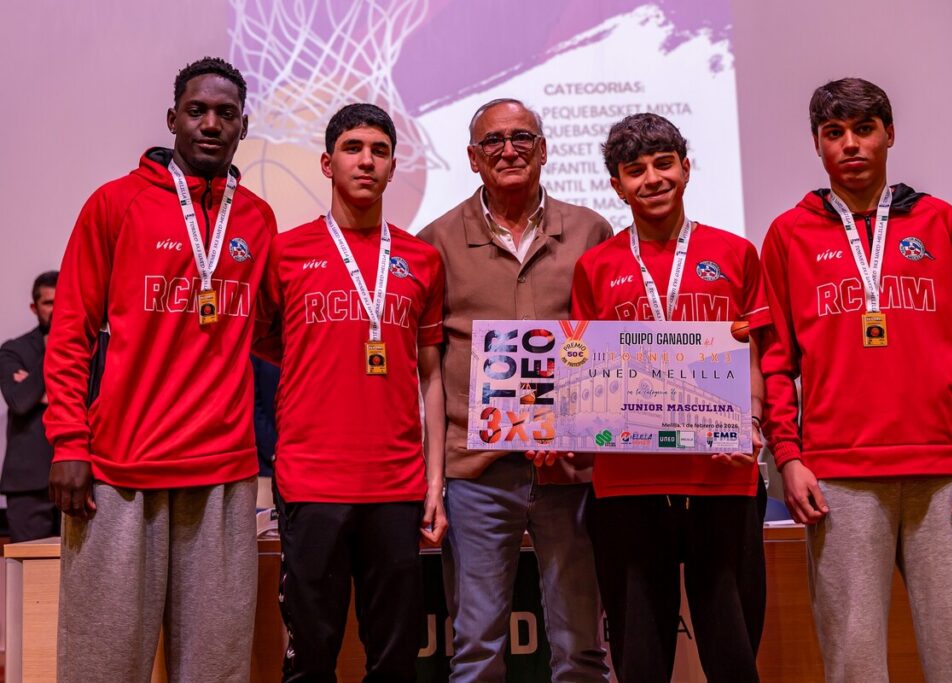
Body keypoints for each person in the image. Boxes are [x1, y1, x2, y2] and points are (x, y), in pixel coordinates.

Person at [760, 77, 952, 682]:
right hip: (839, 477)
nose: (851, 145)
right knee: (853, 662)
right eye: (834, 133)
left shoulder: (941, 222)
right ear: (816, 145)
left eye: (864, 130)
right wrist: (788, 456)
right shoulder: (788, 235)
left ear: (889, 135)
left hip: (945, 472)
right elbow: (775, 359)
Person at [44, 57, 277, 682]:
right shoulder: (114, 204)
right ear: (171, 118)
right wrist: (69, 441)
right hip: (121, 473)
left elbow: (269, 337)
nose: (210, 123)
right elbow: (69, 334)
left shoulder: (256, 219)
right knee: (102, 665)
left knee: (216, 668)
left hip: (223, 474)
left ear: (243, 126)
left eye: (225, 114)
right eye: (196, 110)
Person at [570, 113, 769, 682]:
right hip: (627, 480)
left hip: (722, 476)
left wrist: (750, 423)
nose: (652, 179)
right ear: (616, 185)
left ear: (686, 168)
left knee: (732, 651)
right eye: (635, 171)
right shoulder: (596, 267)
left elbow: (756, 353)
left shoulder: (734, 252)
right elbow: (584, 368)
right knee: (640, 656)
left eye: (663, 165)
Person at [418, 98, 610, 682]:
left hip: (571, 470)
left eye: (522, 138)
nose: (509, 150)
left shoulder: (590, 231)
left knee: (581, 648)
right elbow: (428, 363)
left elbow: (603, 347)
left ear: (545, 150)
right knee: (476, 649)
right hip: (476, 473)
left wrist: (577, 428)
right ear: (474, 159)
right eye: (493, 142)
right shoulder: (436, 241)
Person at [257, 103, 447, 682]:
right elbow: (271, 346)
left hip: (396, 485)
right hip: (311, 484)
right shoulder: (285, 253)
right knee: (311, 655)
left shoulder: (423, 260)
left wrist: (434, 481)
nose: (367, 160)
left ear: (393, 168)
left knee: (393, 661)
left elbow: (432, 376)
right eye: (353, 148)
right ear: (326, 162)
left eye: (380, 151)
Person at [0, 271, 61, 542]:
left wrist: (43, 393)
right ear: (34, 308)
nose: (57, 310)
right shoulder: (14, 350)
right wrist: (53, 351)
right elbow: (21, 401)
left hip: (81, 478)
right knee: (29, 576)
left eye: (63, 302)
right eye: (49, 303)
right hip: (28, 482)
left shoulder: (93, 345)